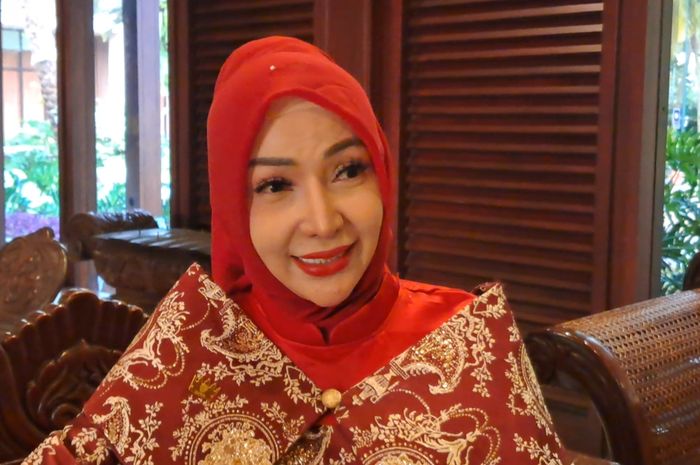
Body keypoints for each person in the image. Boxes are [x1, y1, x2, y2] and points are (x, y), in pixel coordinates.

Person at [24, 36, 569, 465]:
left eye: (348, 170)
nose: (323, 221)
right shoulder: (190, 349)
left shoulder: (468, 346)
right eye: (275, 185)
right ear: (234, 208)